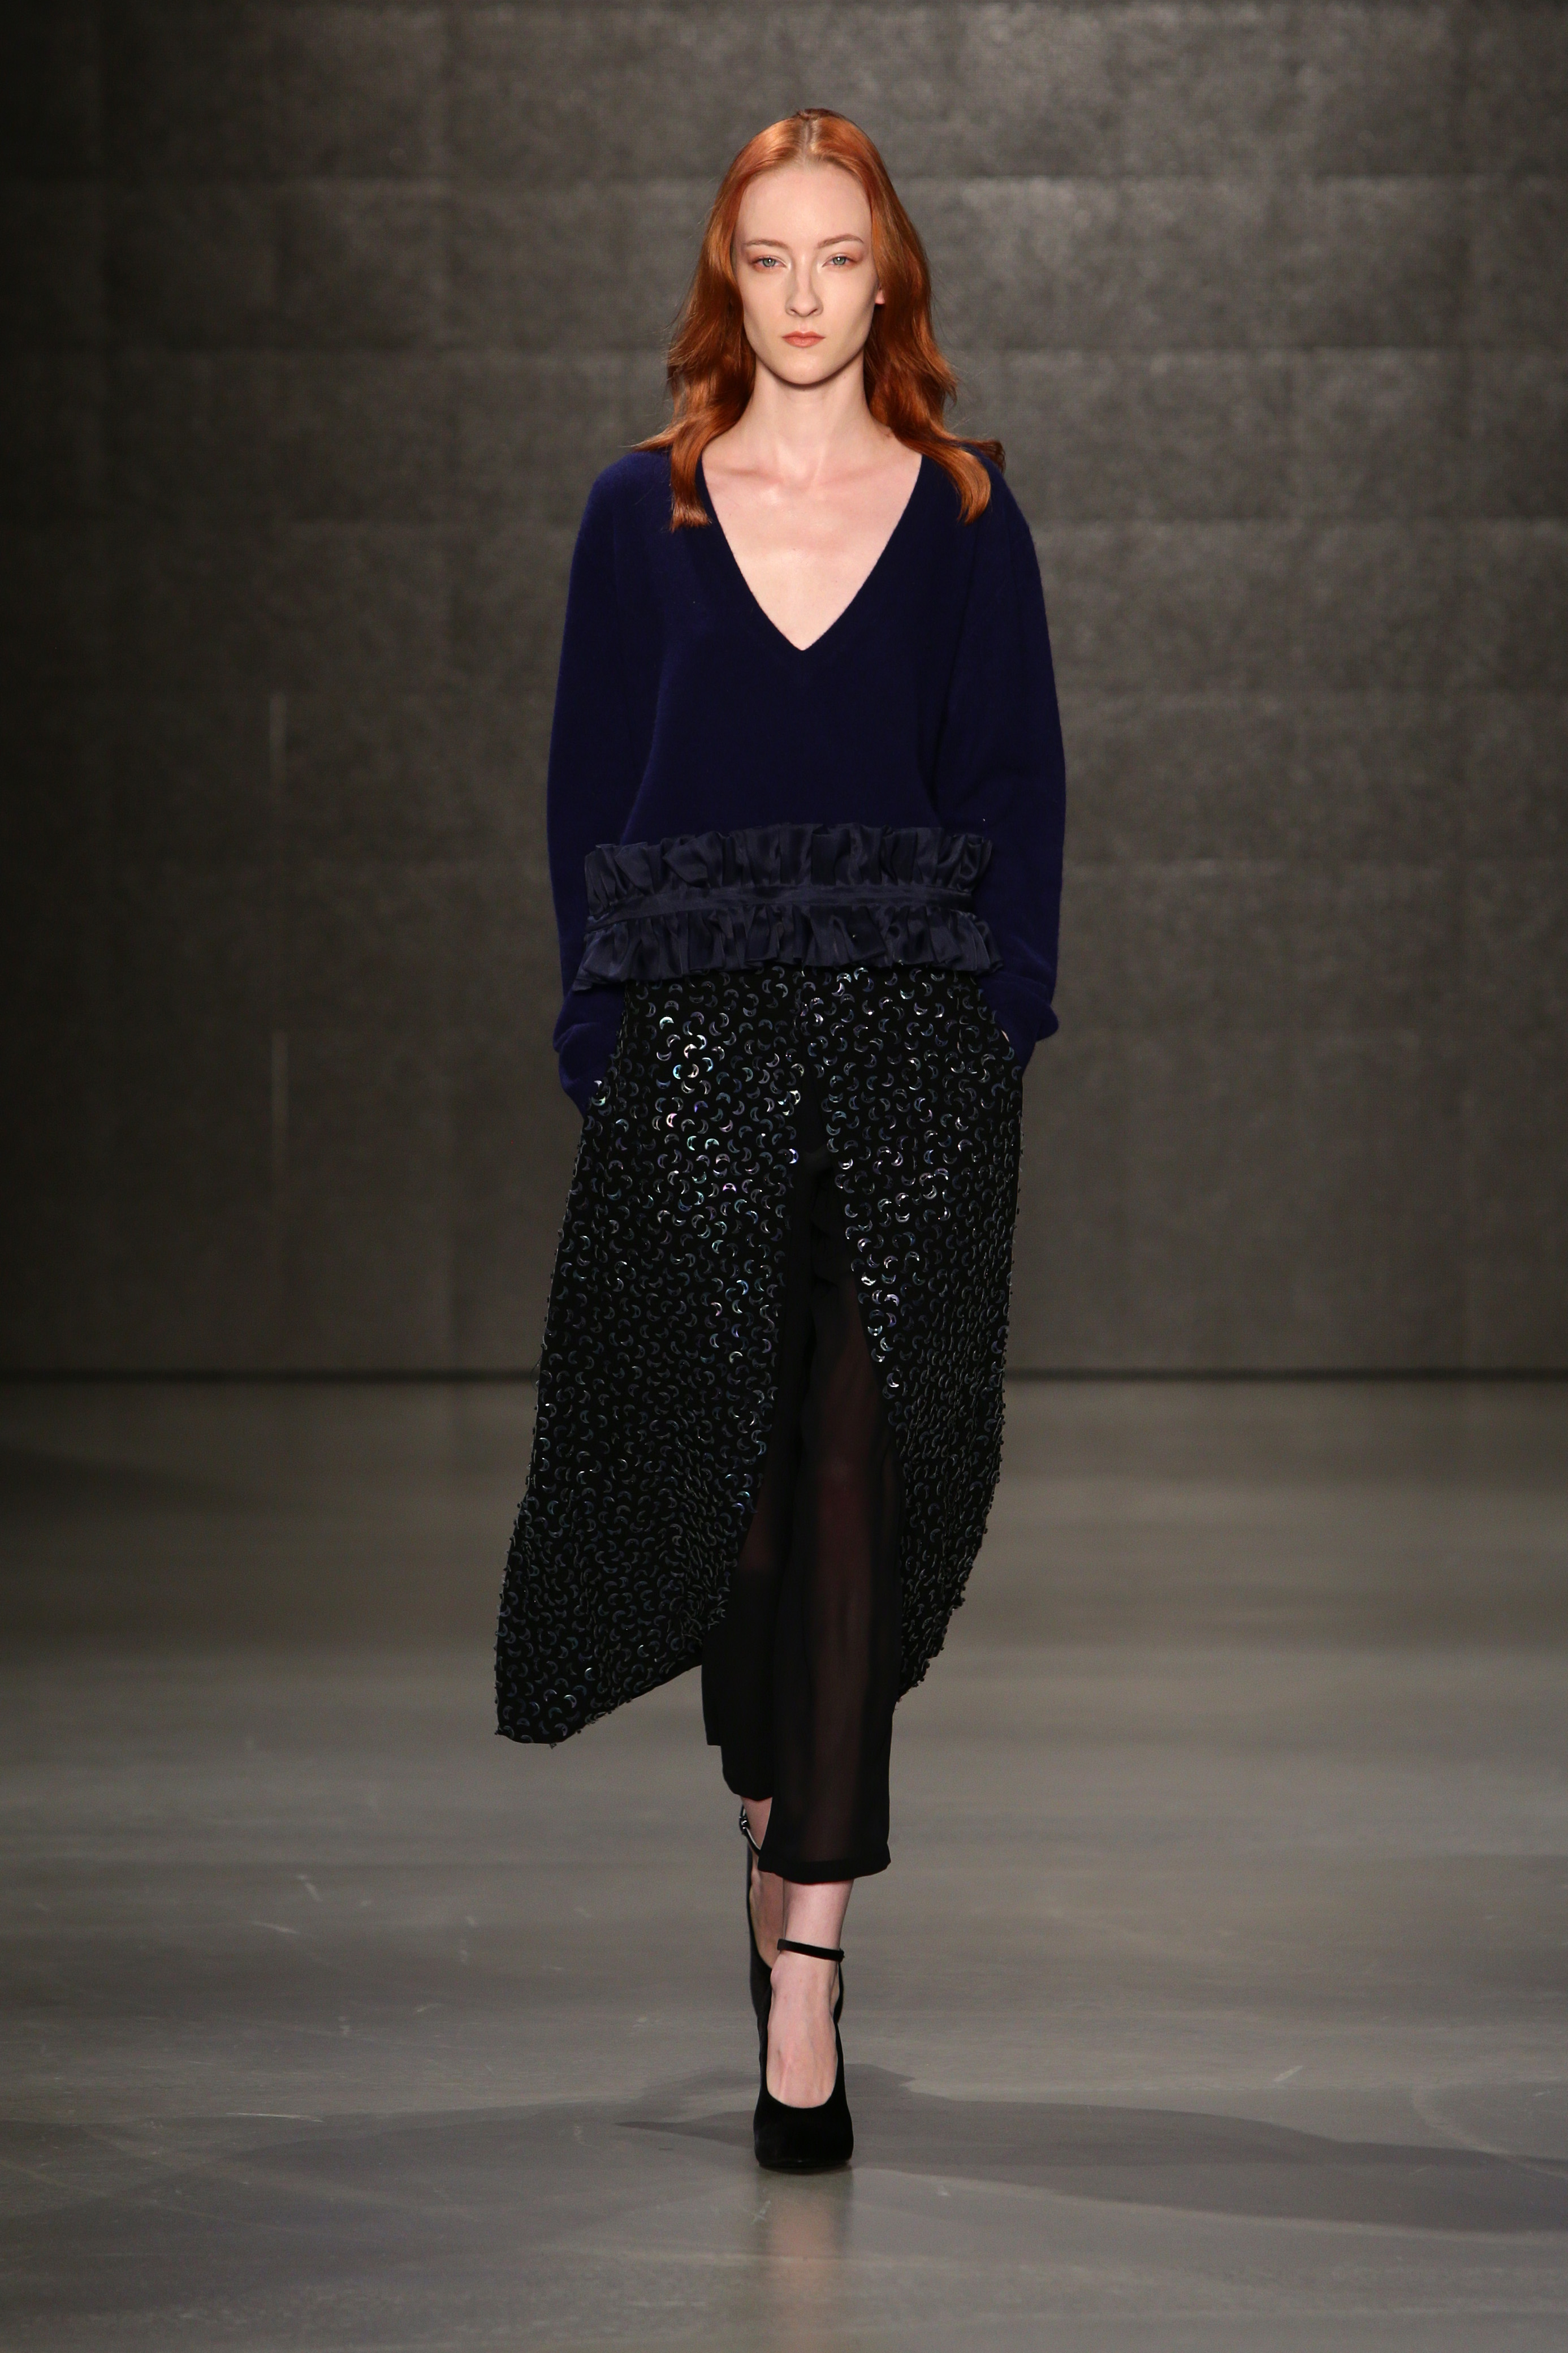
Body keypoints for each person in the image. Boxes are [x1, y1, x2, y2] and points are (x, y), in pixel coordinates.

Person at [496, 108, 1066, 2171]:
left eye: (840, 255)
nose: (808, 294)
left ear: (887, 271)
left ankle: (806, 1971)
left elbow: (1018, 779)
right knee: (732, 1501)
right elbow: (586, 789)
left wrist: (1001, 1018)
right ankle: (773, 1808)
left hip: (910, 1045)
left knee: (851, 1480)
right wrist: (599, 1033)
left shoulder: (967, 507)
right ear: (724, 277)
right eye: (770, 257)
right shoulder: (637, 512)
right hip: (698, 1049)